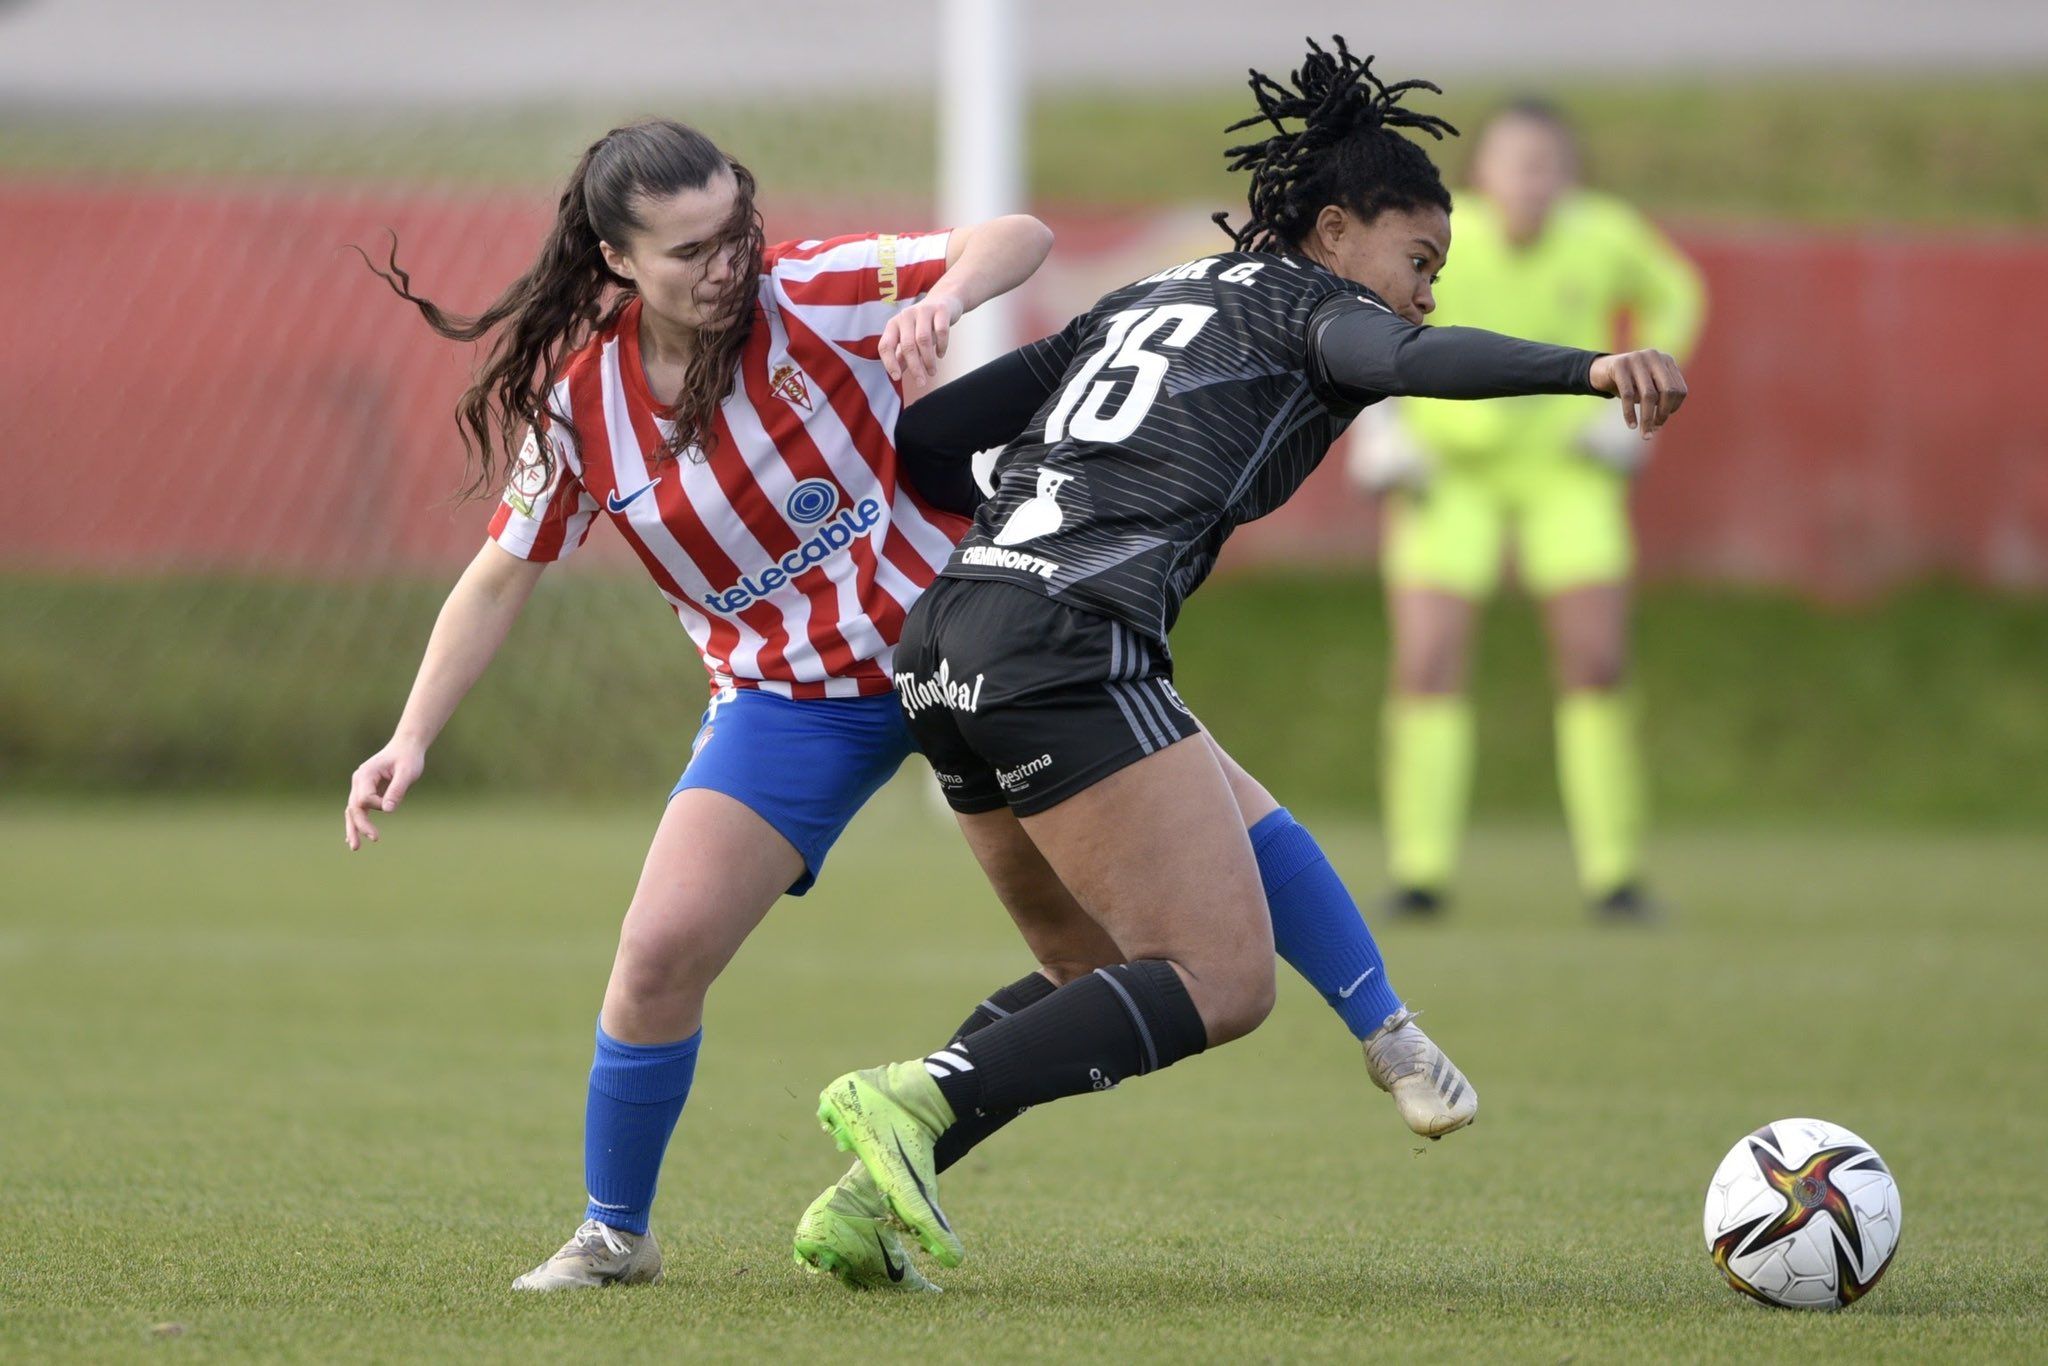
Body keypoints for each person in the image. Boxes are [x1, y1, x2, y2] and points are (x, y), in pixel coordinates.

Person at [342, 116, 1478, 1299]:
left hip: (970, 649)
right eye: (688, 251)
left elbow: (1016, 235)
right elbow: (498, 571)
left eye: (734, 230)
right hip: (791, 703)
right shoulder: (580, 405)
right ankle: (614, 1233)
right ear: (616, 259)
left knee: (1186, 860)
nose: (726, 263)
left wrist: (943, 298)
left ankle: (1383, 1029)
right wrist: (409, 734)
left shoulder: (811, 289)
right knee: (658, 951)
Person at [798, 38, 1687, 1275]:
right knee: (1220, 981)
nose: (1423, 292)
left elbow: (935, 431)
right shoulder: (1317, 312)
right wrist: (1584, 367)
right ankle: (913, 1096)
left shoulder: (1150, 295)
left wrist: (1002, 541)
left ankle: (866, 1199)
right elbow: (1413, 361)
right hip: (1067, 645)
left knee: (1091, 968)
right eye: (1418, 260)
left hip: (949, 640)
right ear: (1333, 230)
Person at [1350, 99, 1705, 921]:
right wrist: (1382, 421)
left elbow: (1677, 293)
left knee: (1596, 661)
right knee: (1427, 662)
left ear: (1569, 174)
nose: (1530, 182)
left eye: (1546, 165)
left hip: (1564, 469)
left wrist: (1632, 412)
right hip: (1450, 471)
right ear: (1483, 173)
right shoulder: (1444, 232)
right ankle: (1419, 871)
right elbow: (1366, 308)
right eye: (1515, 163)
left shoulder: (1605, 233)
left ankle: (1614, 874)